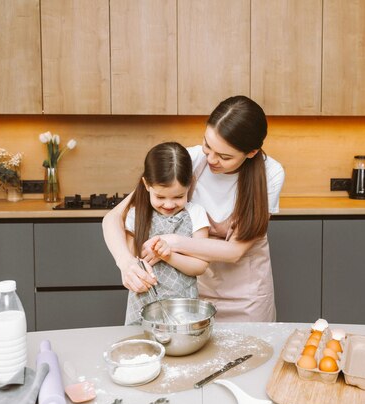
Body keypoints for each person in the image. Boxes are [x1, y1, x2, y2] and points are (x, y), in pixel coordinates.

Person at [103, 95, 285, 322]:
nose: (211, 159)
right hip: (194, 289)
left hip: (248, 295)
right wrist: (126, 263)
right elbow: (113, 218)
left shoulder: (271, 174)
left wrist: (172, 242)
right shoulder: (189, 160)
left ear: (251, 153)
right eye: (207, 145)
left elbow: (234, 251)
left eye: (225, 156)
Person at [119, 142, 210, 325]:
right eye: (160, 197)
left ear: (190, 185)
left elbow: (200, 266)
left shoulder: (196, 214)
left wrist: (168, 255)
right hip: (141, 308)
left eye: (178, 197)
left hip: (183, 309)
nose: (169, 205)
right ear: (146, 184)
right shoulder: (135, 215)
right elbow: (130, 259)